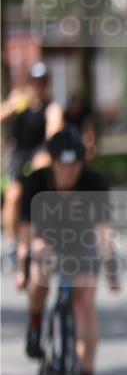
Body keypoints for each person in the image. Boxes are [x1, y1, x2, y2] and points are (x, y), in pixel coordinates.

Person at [17, 128, 121, 375]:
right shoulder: (36, 182)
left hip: (81, 243)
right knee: (40, 272)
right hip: (47, 239)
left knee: (85, 302)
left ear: (81, 164)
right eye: (61, 166)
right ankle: (35, 324)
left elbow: (103, 232)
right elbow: (26, 231)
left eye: (73, 166)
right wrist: (24, 267)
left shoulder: (94, 183)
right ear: (51, 163)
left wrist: (111, 269)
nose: (67, 173)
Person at [1, 61, 64, 257]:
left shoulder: (51, 107)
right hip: (19, 155)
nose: (38, 86)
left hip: (39, 155)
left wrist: (46, 153)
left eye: (42, 82)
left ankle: (46, 237)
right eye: (35, 81)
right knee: (13, 195)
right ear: (30, 82)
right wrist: (12, 106)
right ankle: (12, 243)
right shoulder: (18, 101)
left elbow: (54, 132)